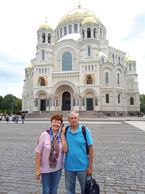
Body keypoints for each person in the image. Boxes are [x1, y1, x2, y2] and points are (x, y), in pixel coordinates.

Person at [35, 114, 67, 194]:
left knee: (54, 190)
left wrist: (62, 134)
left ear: (61, 124)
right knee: (46, 190)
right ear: (51, 122)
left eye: (58, 122)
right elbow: (38, 152)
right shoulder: (44, 135)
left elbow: (65, 149)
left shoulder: (62, 135)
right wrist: (38, 169)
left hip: (57, 168)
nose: (56, 124)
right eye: (54, 122)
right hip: (45, 169)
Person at [64, 111, 94, 194]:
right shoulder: (65, 131)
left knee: (85, 190)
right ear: (68, 120)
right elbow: (57, 139)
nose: (73, 120)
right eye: (71, 118)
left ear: (79, 119)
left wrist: (90, 167)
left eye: (75, 118)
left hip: (83, 167)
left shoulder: (84, 130)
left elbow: (91, 149)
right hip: (69, 167)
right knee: (69, 191)